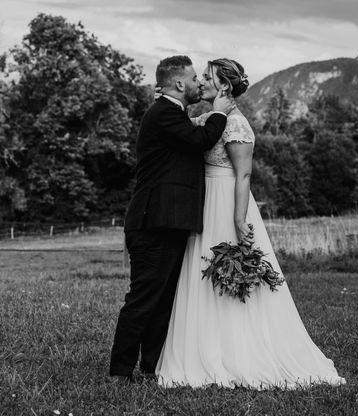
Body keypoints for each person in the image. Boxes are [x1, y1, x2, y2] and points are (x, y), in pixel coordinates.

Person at [156, 58, 345, 389]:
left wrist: (239, 219)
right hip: (204, 201)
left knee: (227, 274)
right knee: (202, 274)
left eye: (208, 77)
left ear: (224, 86)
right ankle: (200, 348)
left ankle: (238, 352)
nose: (201, 81)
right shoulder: (206, 117)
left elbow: (243, 174)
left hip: (227, 202)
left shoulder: (238, 124)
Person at [109, 55, 235, 383]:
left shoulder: (172, 113)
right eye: (194, 79)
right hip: (154, 223)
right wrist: (220, 110)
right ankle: (120, 371)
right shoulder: (164, 113)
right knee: (144, 297)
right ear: (179, 84)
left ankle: (152, 366)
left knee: (163, 299)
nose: (197, 83)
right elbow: (201, 140)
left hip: (169, 222)